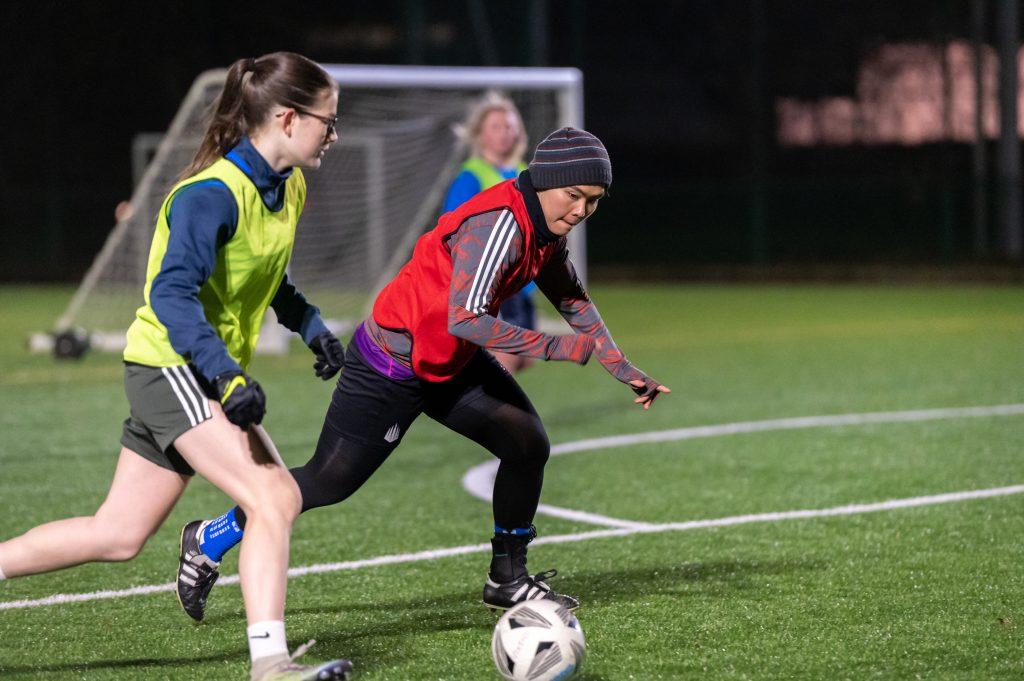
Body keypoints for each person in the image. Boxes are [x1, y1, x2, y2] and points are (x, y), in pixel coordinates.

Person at [176, 127, 670, 621]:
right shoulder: (500, 223)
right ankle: (208, 537)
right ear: (545, 181)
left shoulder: (545, 229)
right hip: (391, 364)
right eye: (575, 195)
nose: (582, 210)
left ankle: (507, 578)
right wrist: (559, 348)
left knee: (527, 443)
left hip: (449, 361)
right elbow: (467, 318)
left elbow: (571, 298)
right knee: (329, 481)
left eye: (594, 201)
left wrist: (620, 366)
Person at [0, 52, 353, 681]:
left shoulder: (288, 185)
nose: (334, 132)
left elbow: (267, 276)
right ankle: (270, 665)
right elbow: (170, 294)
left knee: (118, 535)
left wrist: (310, 326)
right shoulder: (210, 194)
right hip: (174, 368)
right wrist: (227, 375)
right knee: (274, 496)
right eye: (327, 120)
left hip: (191, 371)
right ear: (286, 118)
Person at [443, 93, 535, 374]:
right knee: (503, 362)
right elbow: (451, 231)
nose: (505, 133)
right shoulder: (471, 176)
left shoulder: (524, 174)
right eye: (496, 126)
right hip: (490, 284)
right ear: (479, 134)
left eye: (509, 126)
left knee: (523, 360)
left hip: (520, 284)